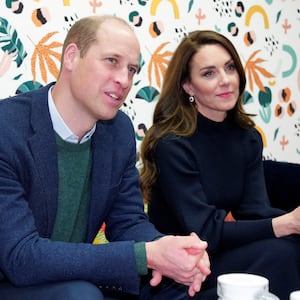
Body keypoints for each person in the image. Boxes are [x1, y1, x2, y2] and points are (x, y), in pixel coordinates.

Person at [0, 16, 211, 300]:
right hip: (13, 281)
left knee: (185, 289)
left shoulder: (119, 131)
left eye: (132, 69)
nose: (124, 80)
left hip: (74, 277)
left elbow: (127, 222)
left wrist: (169, 248)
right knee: (81, 295)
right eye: (112, 61)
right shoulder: (7, 128)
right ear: (72, 57)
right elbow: (20, 257)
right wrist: (146, 255)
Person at [140, 30, 300, 300]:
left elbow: (254, 211)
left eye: (229, 68)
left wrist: (293, 222)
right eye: (209, 73)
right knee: (281, 253)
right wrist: (286, 223)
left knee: (291, 245)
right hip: (180, 272)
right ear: (188, 87)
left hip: (222, 254)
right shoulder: (171, 144)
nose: (226, 80)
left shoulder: (247, 137)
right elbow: (205, 230)